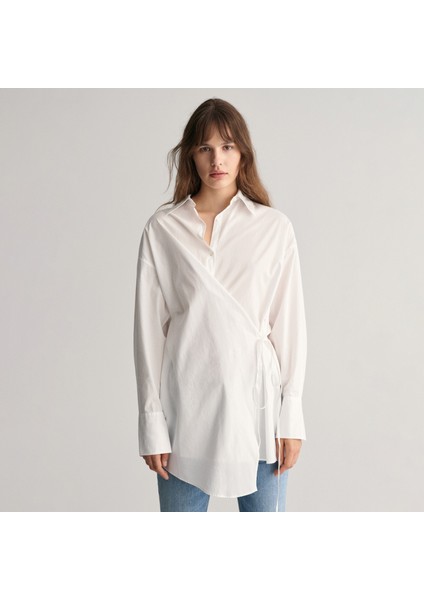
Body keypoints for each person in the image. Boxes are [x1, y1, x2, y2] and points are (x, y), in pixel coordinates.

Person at [133, 98, 307, 512]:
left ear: (243, 152)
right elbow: (148, 334)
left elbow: (290, 326)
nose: (217, 159)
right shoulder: (164, 229)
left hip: (259, 413)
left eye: (227, 146)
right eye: (205, 148)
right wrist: (151, 422)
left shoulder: (273, 227)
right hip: (186, 410)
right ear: (190, 155)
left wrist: (291, 416)